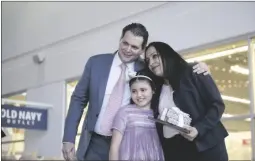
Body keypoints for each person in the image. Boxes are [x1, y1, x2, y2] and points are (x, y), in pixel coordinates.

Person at [62, 23, 209, 161]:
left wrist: (198, 67)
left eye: (134, 47)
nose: (128, 49)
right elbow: (78, 99)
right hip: (93, 143)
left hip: (128, 146)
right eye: (125, 43)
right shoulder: (96, 63)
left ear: (142, 50)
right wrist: (68, 138)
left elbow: (171, 71)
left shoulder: (148, 70)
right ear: (120, 40)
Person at [144, 41, 229, 161]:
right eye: (147, 60)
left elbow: (217, 105)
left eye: (155, 56)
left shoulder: (193, 71)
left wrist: (198, 129)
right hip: (176, 150)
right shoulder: (157, 89)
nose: (151, 63)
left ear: (167, 55)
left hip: (205, 147)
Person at [109, 74, 164, 161]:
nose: (139, 95)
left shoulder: (158, 114)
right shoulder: (124, 112)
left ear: (153, 90)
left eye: (143, 90)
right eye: (134, 91)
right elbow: (114, 146)